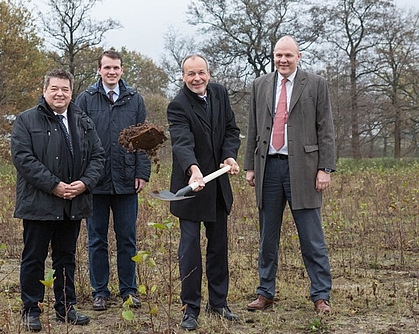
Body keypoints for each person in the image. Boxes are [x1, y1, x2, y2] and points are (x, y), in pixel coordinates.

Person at [244, 35, 336, 314]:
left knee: (312, 238)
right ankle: (265, 293)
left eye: (288, 55)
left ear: (299, 56)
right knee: (267, 238)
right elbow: (252, 128)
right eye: (278, 55)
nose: (283, 60)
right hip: (268, 169)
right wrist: (250, 165)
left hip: (304, 171)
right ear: (274, 56)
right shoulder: (260, 85)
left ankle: (321, 295)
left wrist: (325, 168)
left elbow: (326, 128)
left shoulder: (316, 84)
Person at [11, 69, 105, 331]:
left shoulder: (83, 121)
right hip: (38, 204)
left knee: (66, 258)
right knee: (34, 258)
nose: (59, 93)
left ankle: (66, 307)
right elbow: (23, 159)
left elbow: (98, 157)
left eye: (64, 89)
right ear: (45, 91)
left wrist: (85, 183)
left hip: (72, 204)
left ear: (71, 92)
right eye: (54, 88)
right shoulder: (26, 120)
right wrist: (53, 186)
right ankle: (31, 309)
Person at [167, 54, 241, 331]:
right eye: (190, 74)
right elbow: (182, 142)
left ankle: (219, 303)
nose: (196, 78)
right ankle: (191, 308)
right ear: (183, 76)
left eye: (201, 73)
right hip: (192, 186)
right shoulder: (177, 105)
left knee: (218, 247)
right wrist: (193, 170)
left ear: (209, 73)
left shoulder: (220, 94)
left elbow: (232, 130)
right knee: (190, 250)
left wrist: (229, 156)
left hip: (218, 185)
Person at [75, 50, 151, 312]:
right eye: (106, 68)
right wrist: (84, 178)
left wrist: (142, 172)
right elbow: (79, 140)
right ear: (99, 70)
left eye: (116, 68)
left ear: (122, 70)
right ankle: (100, 292)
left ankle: (129, 291)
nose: (111, 72)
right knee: (96, 240)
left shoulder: (134, 99)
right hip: (95, 183)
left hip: (127, 180)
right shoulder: (85, 99)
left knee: (127, 238)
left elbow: (145, 139)